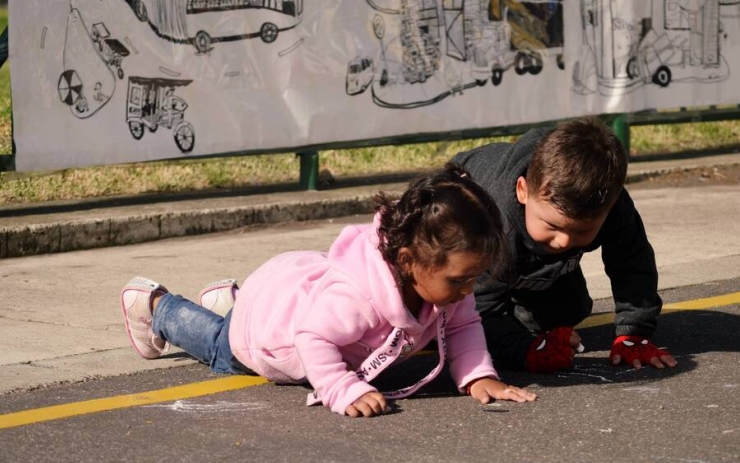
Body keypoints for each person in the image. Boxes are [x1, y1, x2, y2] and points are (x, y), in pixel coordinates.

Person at [120, 164, 537, 418]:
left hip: (288, 297)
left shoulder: (441, 288)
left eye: (473, 279)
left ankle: (234, 300)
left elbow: (465, 326)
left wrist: (479, 376)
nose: (468, 290)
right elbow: (312, 336)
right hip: (274, 339)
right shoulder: (357, 298)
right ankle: (158, 306)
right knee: (219, 347)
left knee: (244, 316)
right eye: (458, 280)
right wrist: (341, 388)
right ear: (409, 261)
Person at [451, 117, 677, 374]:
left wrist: (634, 333)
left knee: (569, 310)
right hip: (459, 209)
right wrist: (526, 350)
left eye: (582, 230)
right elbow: (480, 306)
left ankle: (519, 309)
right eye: (553, 226)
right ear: (522, 191)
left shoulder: (612, 206)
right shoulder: (494, 221)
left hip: (518, 242)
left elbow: (632, 263)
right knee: (453, 313)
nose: (564, 241)